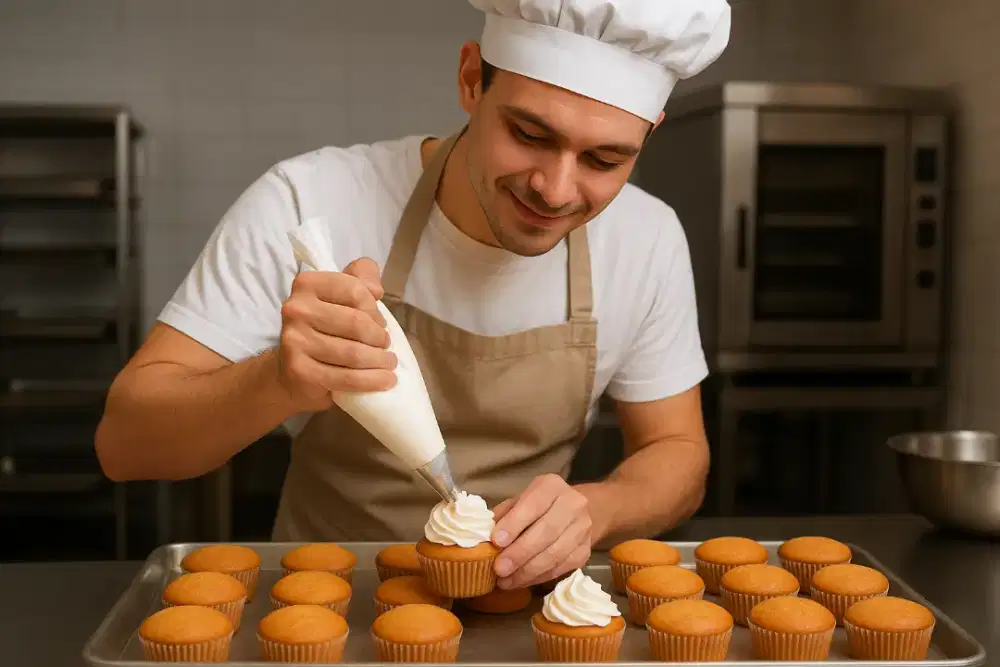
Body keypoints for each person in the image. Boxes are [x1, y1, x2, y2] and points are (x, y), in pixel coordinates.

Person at [95, 0, 731, 591]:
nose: (557, 189)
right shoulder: (310, 201)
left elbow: (678, 454)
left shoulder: (647, 240)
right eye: (531, 134)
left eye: (604, 160)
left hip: (520, 610)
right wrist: (278, 381)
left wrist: (598, 510)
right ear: (469, 79)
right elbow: (124, 445)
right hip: (330, 604)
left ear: (649, 134)